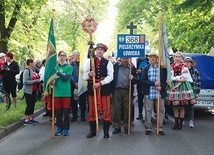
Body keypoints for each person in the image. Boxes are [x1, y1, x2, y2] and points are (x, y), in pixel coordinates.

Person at [83, 43, 113, 138]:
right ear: (95, 51)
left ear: (104, 51)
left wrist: (100, 83)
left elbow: (111, 76)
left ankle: (106, 132)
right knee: (92, 109)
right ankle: (92, 131)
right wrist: (89, 75)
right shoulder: (90, 62)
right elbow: (84, 75)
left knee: (106, 110)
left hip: (104, 89)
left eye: (101, 50)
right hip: (92, 89)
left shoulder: (108, 62)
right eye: (98, 49)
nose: (99, 51)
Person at [141, 52, 167, 135]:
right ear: (149, 59)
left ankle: (160, 128)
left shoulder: (162, 69)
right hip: (149, 93)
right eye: (150, 57)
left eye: (154, 57)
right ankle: (148, 127)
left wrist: (161, 87)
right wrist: (153, 83)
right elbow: (143, 80)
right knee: (148, 111)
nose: (152, 58)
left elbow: (165, 81)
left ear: (157, 58)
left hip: (159, 93)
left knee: (160, 111)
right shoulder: (146, 68)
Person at [167, 51, 195, 130]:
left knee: (182, 105)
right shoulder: (171, 66)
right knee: (175, 105)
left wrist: (177, 79)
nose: (177, 58)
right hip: (174, 86)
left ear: (181, 58)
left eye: (179, 57)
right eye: (176, 57)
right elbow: (170, 76)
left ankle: (180, 123)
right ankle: (176, 123)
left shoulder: (184, 66)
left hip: (182, 87)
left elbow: (184, 77)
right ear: (174, 57)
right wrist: (177, 78)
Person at [111, 58, 137, 134]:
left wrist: (133, 78)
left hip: (127, 90)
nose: (124, 60)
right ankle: (117, 127)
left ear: (129, 59)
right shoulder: (115, 66)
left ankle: (127, 127)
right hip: (117, 90)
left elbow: (136, 80)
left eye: (126, 58)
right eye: (123, 58)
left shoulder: (132, 68)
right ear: (120, 58)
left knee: (127, 109)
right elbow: (112, 79)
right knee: (116, 109)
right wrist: (110, 91)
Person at [54, 51, 73, 136]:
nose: (62, 57)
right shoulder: (54, 67)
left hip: (66, 93)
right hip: (57, 92)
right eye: (60, 56)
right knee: (58, 112)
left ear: (65, 57)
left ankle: (66, 128)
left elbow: (65, 78)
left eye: (63, 56)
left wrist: (57, 72)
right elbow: (51, 80)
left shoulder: (69, 67)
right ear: (58, 57)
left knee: (66, 112)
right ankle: (59, 127)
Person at [183, 57, 201, 128]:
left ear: (191, 63)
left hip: (192, 91)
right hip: (183, 91)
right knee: (183, 106)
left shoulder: (195, 71)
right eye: (185, 62)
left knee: (190, 106)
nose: (187, 63)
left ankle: (191, 121)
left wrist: (197, 92)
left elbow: (198, 82)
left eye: (188, 62)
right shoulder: (182, 70)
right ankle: (183, 120)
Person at [23, 59, 41, 125]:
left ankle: (31, 118)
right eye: (33, 62)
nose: (34, 63)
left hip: (34, 90)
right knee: (29, 105)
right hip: (28, 91)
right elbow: (25, 81)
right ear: (30, 63)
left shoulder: (32, 70)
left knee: (32, 104)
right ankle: (26, 119)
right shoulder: (26, 71)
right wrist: (34, 81)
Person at [70, 50, 87, 122]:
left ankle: (82, 116)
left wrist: (80, 82)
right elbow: (70, 74)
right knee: (73, 101)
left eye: (74, 55)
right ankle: (74, 116)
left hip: (82, 85)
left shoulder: (83, 64)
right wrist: (74, 83)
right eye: (73, 55)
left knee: (83, 101)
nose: (73, 57)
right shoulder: (72, 64)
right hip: (73, 85)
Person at [136, 56, 148, 120]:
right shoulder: (137, 61)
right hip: (139, 81)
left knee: (148, 99)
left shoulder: (147, 59)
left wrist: (143, 70)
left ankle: (148, 115)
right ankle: (140, 113)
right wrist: (137, 71)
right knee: (140, 98)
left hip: (147, 82)